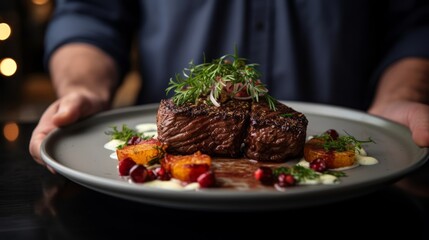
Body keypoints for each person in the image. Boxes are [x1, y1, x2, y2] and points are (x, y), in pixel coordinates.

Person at [30, 0, 429, 168]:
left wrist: (402, 97)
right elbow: (89, 13)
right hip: (158, 217)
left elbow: (416, 21)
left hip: (353, 195)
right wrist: (82, 90)